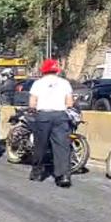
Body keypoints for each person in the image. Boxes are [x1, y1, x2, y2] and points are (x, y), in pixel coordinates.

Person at [29, 58, 74, 187]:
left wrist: (33, 110)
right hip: (60, 116)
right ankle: (63, 176)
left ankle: (37, 173)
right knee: (62, 147)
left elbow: (32, 103)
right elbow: (69, 103)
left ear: (44, 70)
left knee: (40, 145)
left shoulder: (38, 83)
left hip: (43, 116)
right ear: (56, 70)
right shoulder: (65, 83)